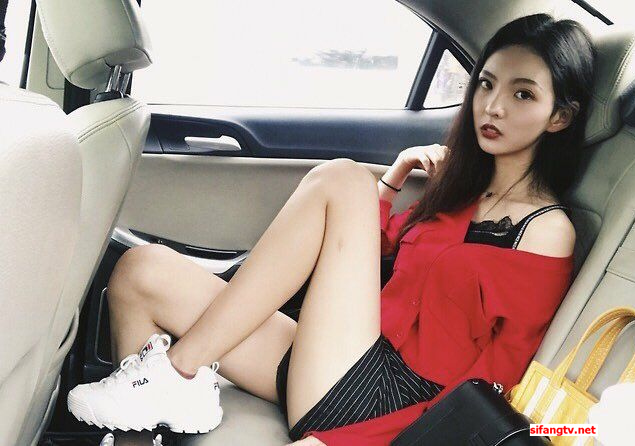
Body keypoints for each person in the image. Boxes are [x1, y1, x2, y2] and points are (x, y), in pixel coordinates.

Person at [67, 13, 595, 446]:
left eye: (523, 94)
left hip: (390, 404)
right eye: (486, 83)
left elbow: (495, 384)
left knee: (342, 179)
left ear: (560, 117)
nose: (493, 106)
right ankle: (149, 418)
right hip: (346, 357)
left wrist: (354, 442)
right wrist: (393, 179)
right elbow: (374, 253)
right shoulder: (461, 192)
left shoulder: (546, 232)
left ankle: (176, 373)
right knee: (141, 272)